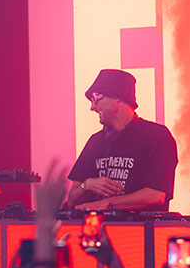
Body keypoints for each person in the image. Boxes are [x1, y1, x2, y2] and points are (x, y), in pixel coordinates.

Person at [66, 69, 178, 211]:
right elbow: (71, 201)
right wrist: (87, 185)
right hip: (98, 230)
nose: (92, 107)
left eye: (96, 97)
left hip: (138, 231)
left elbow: (156, 195)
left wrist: (106, 204)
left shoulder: (157, 136)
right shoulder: (95, 141)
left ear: (117, 97)